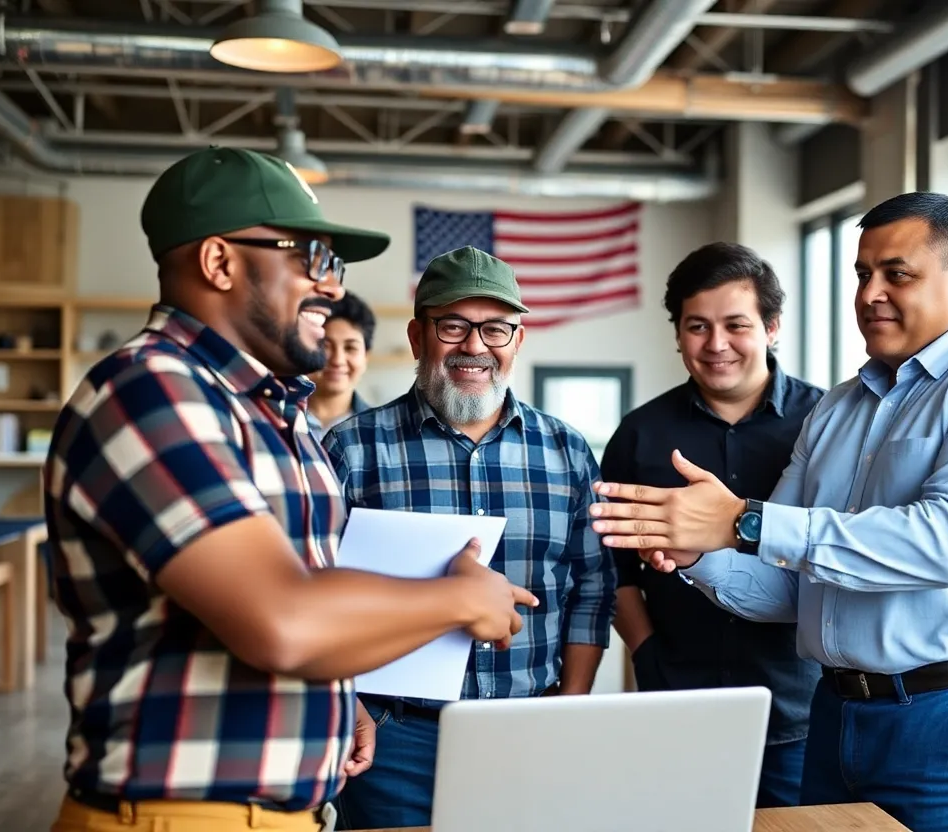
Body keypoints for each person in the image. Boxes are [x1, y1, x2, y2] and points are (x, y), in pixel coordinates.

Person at [43, 148, 536, 832]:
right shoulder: (149, 390)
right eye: (311, 259)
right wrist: (460, 598)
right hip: (180, 816)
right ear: (220, 263)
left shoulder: (278, 417)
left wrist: (341, 709)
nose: (331, 289)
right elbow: (283, 621)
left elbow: (324, 618)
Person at [587, 192, 948, 832]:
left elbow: (945, 543)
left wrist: (743, 520)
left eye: (895, 274)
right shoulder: (842, 405)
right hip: (837, 714)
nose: (869, 293)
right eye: (861, 274)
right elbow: (790, 584)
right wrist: (699, 555)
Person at [323, 245, 617, 830]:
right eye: (453, 325)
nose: (475, 346)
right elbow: (318, 592)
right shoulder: (352, 449)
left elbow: (592, 588)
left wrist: (571, 704)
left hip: (531, 730)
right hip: (392, 737)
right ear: (417, 336)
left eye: (495, 329)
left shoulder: (567, 452)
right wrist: (348, 700)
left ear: (517, 341)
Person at [600, 242, 823, 808]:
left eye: (736, 324)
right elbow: (613, 570)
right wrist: (646, 652)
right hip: (676, 702)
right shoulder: (640, 433)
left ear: (772, 328)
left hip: (800, 708)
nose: (716, 344)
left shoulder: (824, 424)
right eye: (697, 326)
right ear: (677, 335)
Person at [308, 290, 375, 441]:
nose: (337, 360)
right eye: (324, 346)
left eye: (350, 348)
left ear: (366, 357)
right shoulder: (280, 419)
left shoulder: (379, 429)